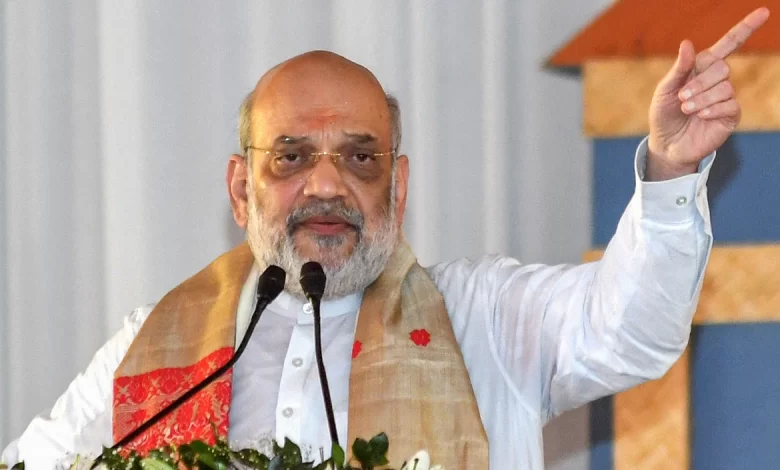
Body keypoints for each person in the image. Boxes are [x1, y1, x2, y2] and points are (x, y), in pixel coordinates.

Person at [1, 7, 770, 469]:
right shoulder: (155, 346)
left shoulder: (482, 320)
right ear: (241, 189)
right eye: (291, 158)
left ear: (397, 189)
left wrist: (671, 170)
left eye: (360, 158)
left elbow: (630, 330)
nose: (326, 185)